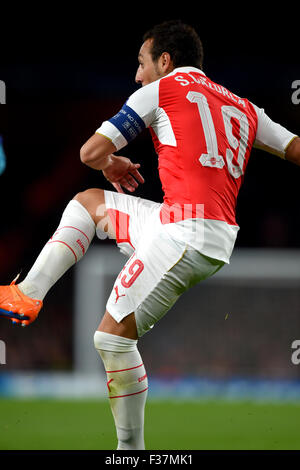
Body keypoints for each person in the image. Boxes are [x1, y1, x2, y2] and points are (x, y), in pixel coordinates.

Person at [0, 20, 299, 450]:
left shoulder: (160, 90)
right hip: (188, 224)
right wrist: (106, 168)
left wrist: (110, 163)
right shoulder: (245, 107)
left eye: (141, 63)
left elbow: (90, 152)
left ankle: (131, 453)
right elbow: (294, 148)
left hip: (187, 234)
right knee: (87, 204)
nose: (137, 74)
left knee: (110, 337)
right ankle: (27, 292)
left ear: (165, 60)